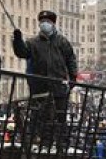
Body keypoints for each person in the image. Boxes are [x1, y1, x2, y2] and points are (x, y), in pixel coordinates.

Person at [12, 10, 77, 144]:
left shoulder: (62, 41)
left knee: (60, 116)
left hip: (59, 87)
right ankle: (45, 142)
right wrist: (17, 40)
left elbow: (71, 59)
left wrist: (73, 77)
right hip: (39, 88)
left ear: (53, 24)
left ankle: (61, 143)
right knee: (40, 117)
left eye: (47, 22)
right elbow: (22, 53)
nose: (44, 24)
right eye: (42, 22)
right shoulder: (33, 43)